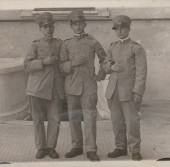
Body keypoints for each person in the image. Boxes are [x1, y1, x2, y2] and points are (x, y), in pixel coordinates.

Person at [59, 9, 106, 161]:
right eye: (75, 24)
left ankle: (91, 149)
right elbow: (61, 66)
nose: (78, 27)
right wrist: (72, 64)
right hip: (71, 87)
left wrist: (101, 75)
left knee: (90, 119)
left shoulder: (93, 41)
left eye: (80, 23)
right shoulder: (66, 44)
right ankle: (77, 147)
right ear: (71, 27)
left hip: (89, 87)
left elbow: (104, 59)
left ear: (85, 24)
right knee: (73, 118)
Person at [103, 15, 147, 161]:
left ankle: (134, 149)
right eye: (117, 29)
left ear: (129, 28)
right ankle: (120, 147)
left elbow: (141, 72)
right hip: (113, 90)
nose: (120, 31)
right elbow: (104, 65)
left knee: (132, 121)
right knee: (116, 121)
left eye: (123, 28)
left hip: (129, 91)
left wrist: (138, 91)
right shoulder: (112, 46)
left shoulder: (136, 48)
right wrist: (111, 66)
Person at [24, 12, 64, 159]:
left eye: (51, 26)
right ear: (40, 29)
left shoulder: (60, 44)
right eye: (45, 27)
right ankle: (40, 147)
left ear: (53, 27)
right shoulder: (34, 44)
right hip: (37, 88)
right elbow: (26, 65)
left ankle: (51, 147)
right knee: (38, 119)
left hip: (55, 87)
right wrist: (42, 62)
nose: (48, 29)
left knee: (55, 119)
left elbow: (63, 63)